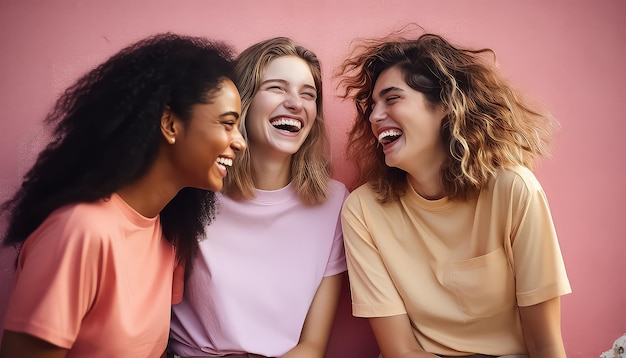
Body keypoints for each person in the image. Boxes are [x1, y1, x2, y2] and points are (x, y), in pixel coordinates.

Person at [0, 33, 245, 357]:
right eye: (227, 124)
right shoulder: (80, 231)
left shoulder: (169, 235)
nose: (240, 142)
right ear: (170, 123)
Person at [336, 29, 571, 358]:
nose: (375, 117)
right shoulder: (363, 210)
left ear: (446, 105)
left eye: (392, 98)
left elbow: (545, 345)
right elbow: (400, 351)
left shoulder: (513, 190)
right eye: (373, 106)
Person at [168, 37, 348, 358]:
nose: (296, 103)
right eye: (277, 88)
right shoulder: (193, 190)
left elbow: (312, 345)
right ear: (242, 104)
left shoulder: (334, 203)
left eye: (308, 94)